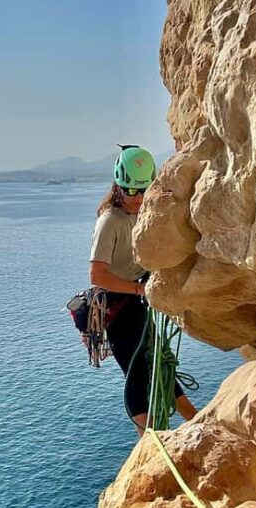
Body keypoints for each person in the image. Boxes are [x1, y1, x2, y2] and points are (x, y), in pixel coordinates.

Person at [89, 145, 197, 435]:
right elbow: (97, 275)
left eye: (142, 191)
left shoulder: (144, 212)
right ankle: (149, 441)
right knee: (137, 374)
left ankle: (196, 419)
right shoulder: (110, 221)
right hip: (119, 307)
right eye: (129, 191)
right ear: (118, 186)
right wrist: (138, 289)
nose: (137, 198)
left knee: (160, 365)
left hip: (139, 302)